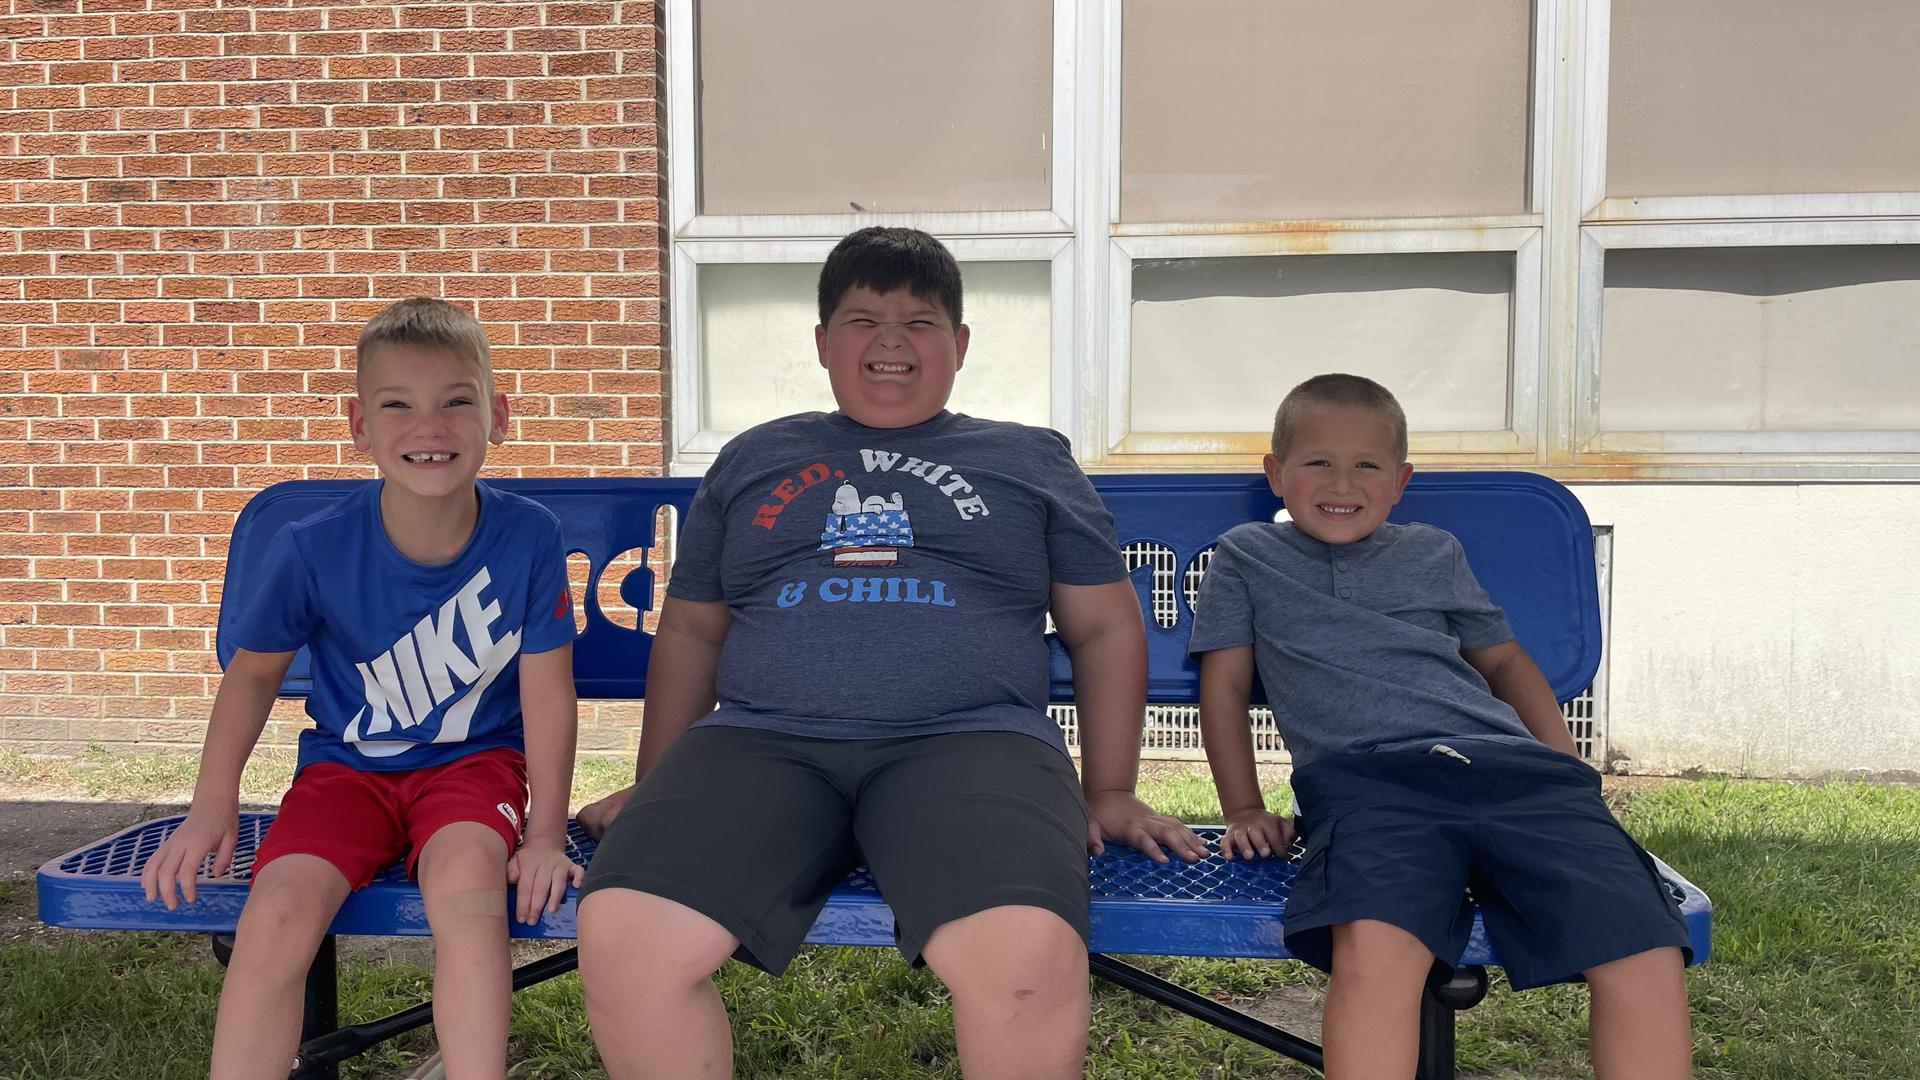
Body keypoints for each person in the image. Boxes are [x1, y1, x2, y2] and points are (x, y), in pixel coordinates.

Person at [572, 226, 1207, 1080]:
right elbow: (691, 626)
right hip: (760, 740)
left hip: (970, 743)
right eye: (863, 318)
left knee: (1023, 959)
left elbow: (1104, 626)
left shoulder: (1027, 461)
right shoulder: (757, 458)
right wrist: (655, 781)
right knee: (626, 937)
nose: (891, 339)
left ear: (962, 344)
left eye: (920, 320)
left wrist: (1112, 788)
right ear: (823, 343)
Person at [1191, 373, 1693, 1079]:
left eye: (1367, 464)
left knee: (1642, 949)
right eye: (1317, 462)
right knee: (1377, 946)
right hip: (1370, 782)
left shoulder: (1433, 551)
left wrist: (1568, 763)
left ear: (1400, 481)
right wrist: (1243, 807)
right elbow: (1226, 683)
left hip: (1518, 775)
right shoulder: (1247, 557)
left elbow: (1507, 662)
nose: (1343, 481)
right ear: (1276, 474)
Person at [140, 297, 583, 1079]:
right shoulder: (314, 547)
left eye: (456, 401)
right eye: (397, 405)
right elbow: (252, 676)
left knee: (469, 886)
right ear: (358, 423)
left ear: (498, 415)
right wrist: (213, 803)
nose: (430, 427)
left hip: (472, 770)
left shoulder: (529, 536)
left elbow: (548, 693)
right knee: (274, 913)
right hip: (344, 772)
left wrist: (545, 834)